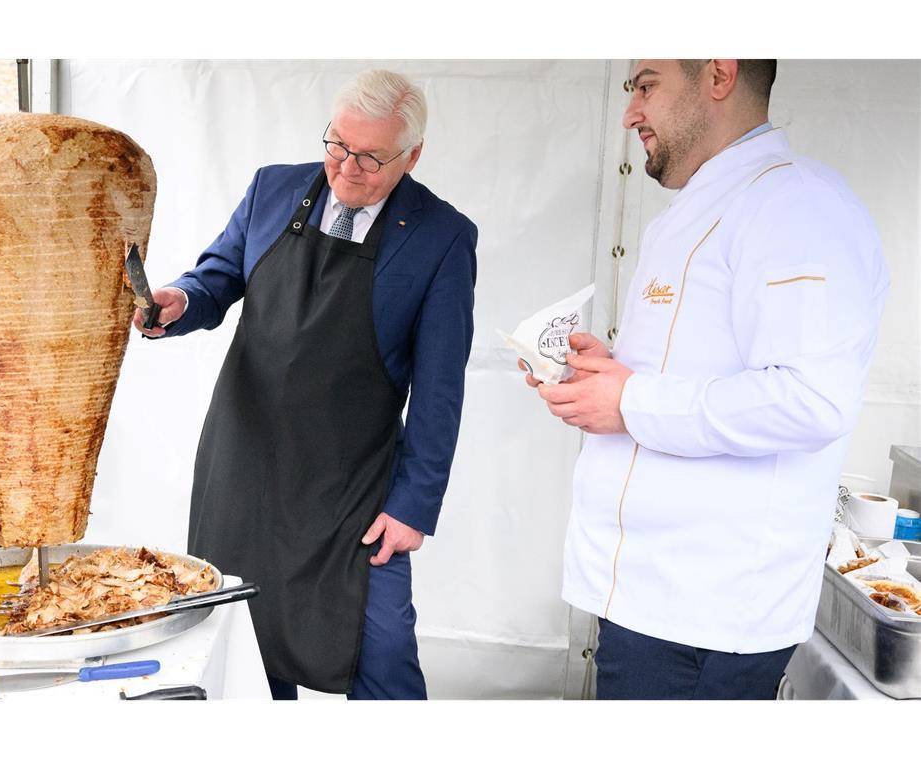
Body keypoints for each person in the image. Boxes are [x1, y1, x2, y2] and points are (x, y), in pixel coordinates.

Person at [521, 60, 888, 699]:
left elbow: (811, 398)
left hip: (704, 618)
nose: (631, 111)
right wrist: (607, 377)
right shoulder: (709, 206)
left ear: (717, 74)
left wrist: (630, 399)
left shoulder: (794, 203)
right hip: (656, 601)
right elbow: (699, 372)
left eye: (646, 84)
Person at [135, 70, 477, 700]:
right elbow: (216, 277)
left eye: (370, 158)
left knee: (384, 648)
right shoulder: (274, 188)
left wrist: (414, 505)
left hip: (352, 484)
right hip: (246, 468)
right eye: (338, 145)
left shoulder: (443, 238)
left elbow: (439, 390)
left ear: (413, 156)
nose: (346, 168)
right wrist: (179, 300)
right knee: (240, 650)